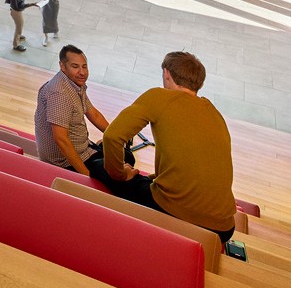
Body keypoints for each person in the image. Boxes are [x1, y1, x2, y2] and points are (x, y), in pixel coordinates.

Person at [102, 52, 238, 242]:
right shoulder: (213, 112)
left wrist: (120, 174)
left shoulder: (159, 96)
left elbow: (112, 136)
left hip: (175, 211)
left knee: (99, 166)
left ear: (166, 73)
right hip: (224, 228)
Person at [33, 46, 132, 191]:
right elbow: (61, 139)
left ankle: (99, 148)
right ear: (62, 66)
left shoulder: (73, 83)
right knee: (122, 174)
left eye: (84, 66)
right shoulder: (60, 94)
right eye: (75, 67)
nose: (82, 72)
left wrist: (115, 137)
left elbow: (94, 115)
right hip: (64, 162)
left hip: (83, 148)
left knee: (126, 157)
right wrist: (86, 176)